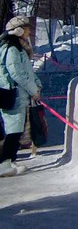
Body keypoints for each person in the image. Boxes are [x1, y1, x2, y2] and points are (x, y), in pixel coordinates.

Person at [0, 16, 41, 177]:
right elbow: (17, 73)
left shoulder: (18, 48)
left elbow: (28, 72)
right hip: (14, 94)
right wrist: (33, 90)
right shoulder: (11, 49)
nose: (29, 31)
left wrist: (37, 86)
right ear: (18, 30)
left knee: (17, 128)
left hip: (20, 94)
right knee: (14, 130)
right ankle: (4, 162)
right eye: (26, 28)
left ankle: (9, 160)